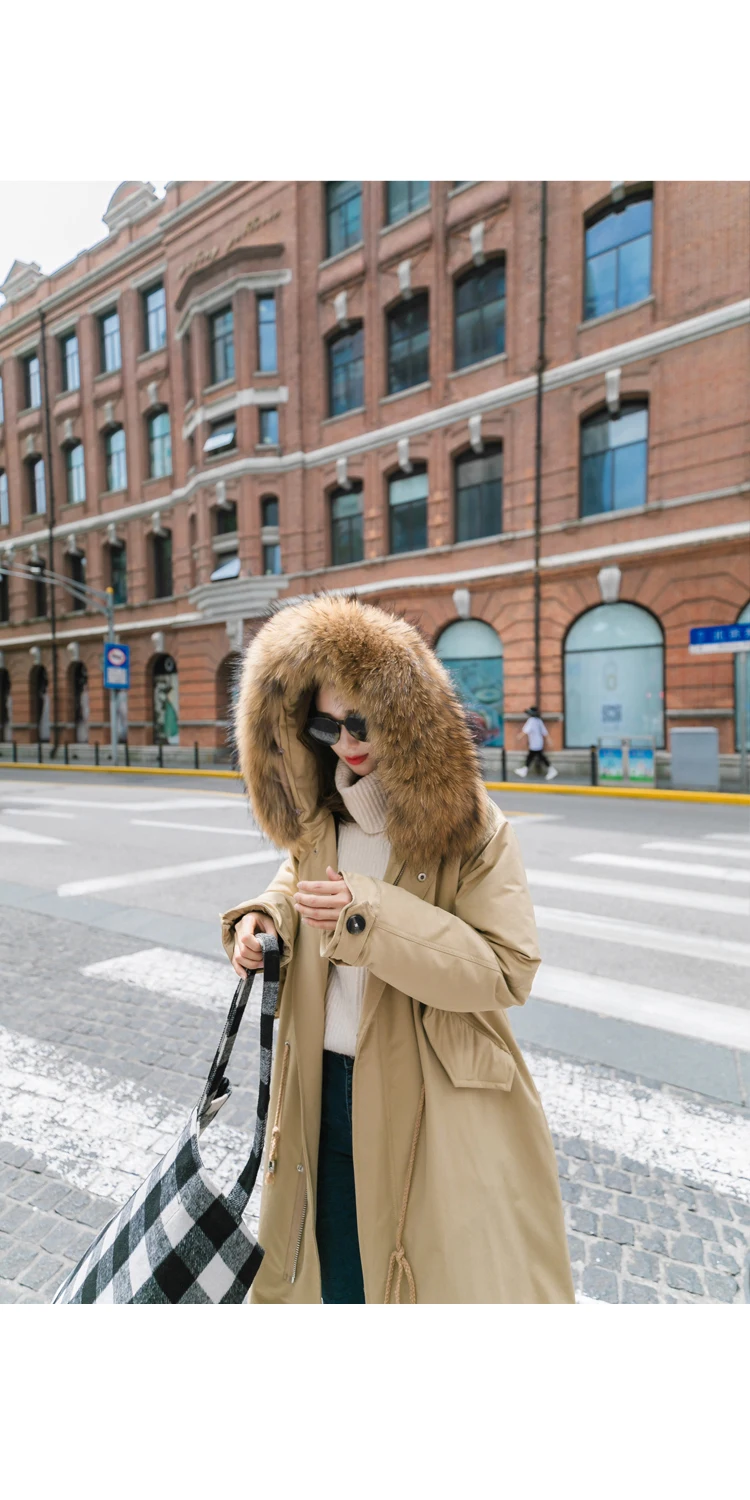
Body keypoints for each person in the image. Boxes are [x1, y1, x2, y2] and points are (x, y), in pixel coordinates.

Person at [221, 593, 574, 1304]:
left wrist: (370, 919)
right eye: (326, 724)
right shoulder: (324, 819)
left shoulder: (474, 830)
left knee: (420, 1276)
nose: (346, 741)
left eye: (363, 720)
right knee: (332, 1270)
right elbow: (292, 885)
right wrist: (262, 922)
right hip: (319, 1084)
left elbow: (507, 968)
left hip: (431, 1099)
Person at [515, 705, 558, 780]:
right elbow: (545, 732)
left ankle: (551, 770)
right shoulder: (539, 720)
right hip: (538, 742)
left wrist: (519, 736)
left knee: (538, 756)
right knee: (533, 756)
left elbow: (525, 731)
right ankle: (525, 770)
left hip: (535, 742)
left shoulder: (531, 720)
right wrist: (549, 740)